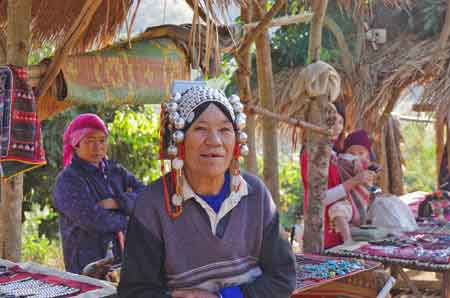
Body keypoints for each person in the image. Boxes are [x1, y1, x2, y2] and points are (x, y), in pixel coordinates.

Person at [118, 87, 296, 298]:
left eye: (224, 130)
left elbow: (283, 276)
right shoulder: (153, 205)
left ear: (237, 140)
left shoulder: (255, 195)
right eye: (201, 128)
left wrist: (227, 296)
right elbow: (135, 292)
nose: (215, 141)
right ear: (179, 139)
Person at [53, 113, 146, 274]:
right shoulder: (68, 180)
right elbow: (93, 220)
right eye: (90, 141)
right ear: (76, 143)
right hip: (87, 267)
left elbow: (146, 196)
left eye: (102, 141)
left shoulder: (115, 170)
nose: (97, 147)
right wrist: (132, 219)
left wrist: (117, 202)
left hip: (123, 261)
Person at [300, 104, 374, 248]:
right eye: (332, 121)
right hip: (322, 235)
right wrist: (354, 181)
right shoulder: (311, 154)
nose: (337, 127)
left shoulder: (336, 154)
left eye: (341, 122)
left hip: (340, 233)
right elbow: (318, 199)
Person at [331, 129, 377, 244]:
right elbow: (341, 157)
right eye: (352, 153)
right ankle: (347, 240)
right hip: (348, 201)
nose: (356, 155)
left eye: (361, 153)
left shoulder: (369, 166)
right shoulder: (341, 161)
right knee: (337, 210)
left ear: (368, 154)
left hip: (362, 202)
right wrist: (354, 159)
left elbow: (370, 184)